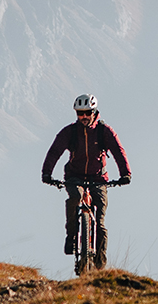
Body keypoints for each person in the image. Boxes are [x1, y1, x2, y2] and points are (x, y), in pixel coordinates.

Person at [41, 93, 131, 269]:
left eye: (87, 113)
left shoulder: (104, 131)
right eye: (80, 113)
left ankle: (100, 265)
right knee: (75, 197)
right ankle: (72, 236)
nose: (83, 117)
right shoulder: (70, 132)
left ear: (94, 112)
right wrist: (46, 173)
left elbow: (119, 151)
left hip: (98, 178)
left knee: (100, 222)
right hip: (74, 176)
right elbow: (54, 152)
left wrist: (125, 174)